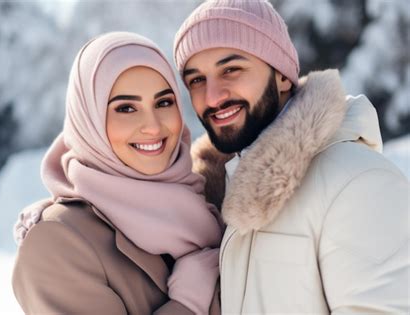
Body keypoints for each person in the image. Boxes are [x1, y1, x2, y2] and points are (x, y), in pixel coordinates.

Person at [174, 0, 410, 313]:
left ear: (283, 76)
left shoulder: (357, 182)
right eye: (196, 80)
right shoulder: (218, 195)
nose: (212, 96)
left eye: (231, 69)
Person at [12, 31, 223, 315]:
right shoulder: (58, 242)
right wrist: (187, 304)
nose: (153, 126)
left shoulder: (208, 199)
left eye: (163, 103)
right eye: (126, 108)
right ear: (90, 121)